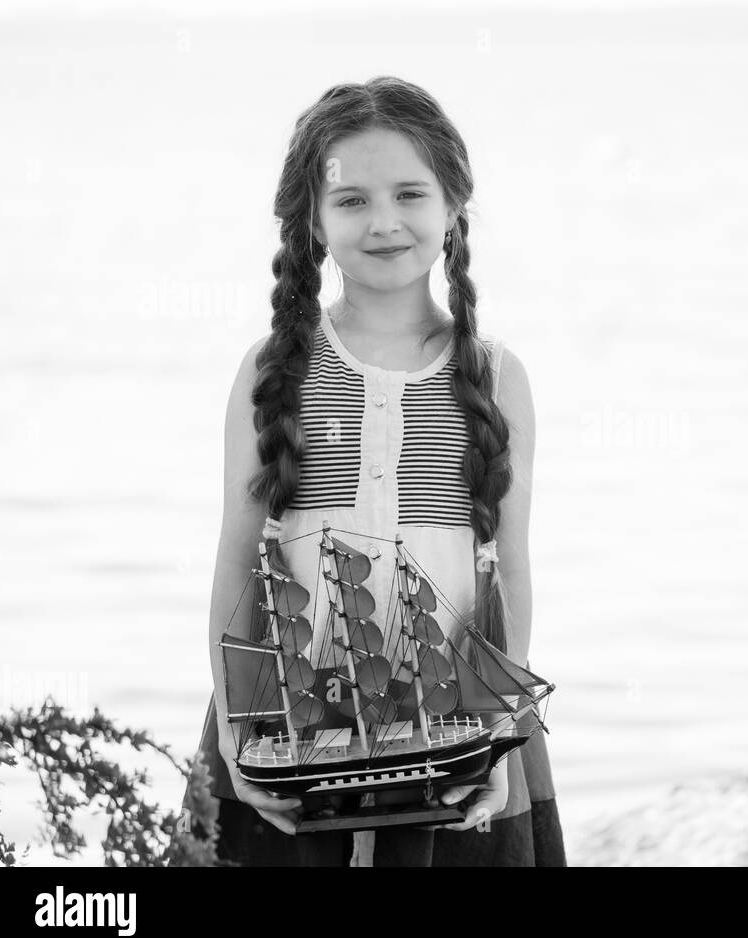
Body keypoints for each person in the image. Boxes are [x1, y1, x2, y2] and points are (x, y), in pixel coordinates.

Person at [191, 76, 565, 866]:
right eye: (352, 200)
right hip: (291, 720)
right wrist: (233, 732)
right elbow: (235, 555)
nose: (385, 221)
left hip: (456, 722)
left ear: (454, 204)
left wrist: (502, 741)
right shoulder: (276, 369)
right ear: (313, 221)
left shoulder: (496, 376)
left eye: (409, 193)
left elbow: (511, 569)